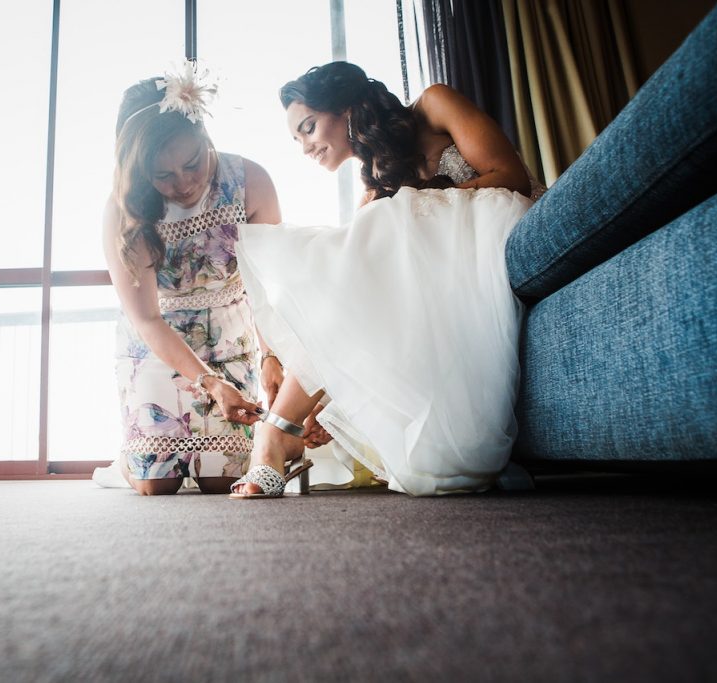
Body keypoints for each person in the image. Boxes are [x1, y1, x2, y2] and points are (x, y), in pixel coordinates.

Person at [230, 61, 542, 498]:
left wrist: (410, 210)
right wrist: (326, 397)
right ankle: (284, 426)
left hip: (500, 225)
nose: (304, 147)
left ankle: (274, 432)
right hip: (448, 276)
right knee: (344, 264)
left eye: (309, 126)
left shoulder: (433, 105)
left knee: (370, 235)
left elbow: (511, 178)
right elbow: (346, 308)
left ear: (346, 108)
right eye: (296, 138)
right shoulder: (377, 187)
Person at [96, 63, 285, 495]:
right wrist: (208, 383)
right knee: (154, 486)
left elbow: (266, 285)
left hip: (232, 339)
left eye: (192, 163)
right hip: (158, 345)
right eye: (163, 175)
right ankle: (130, 459)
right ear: (140, 169)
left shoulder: (250, 181)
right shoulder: (124, 211)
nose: (183, 183)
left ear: (205, 138)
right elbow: (146, 320)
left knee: (222, 481)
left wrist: (271, 356)